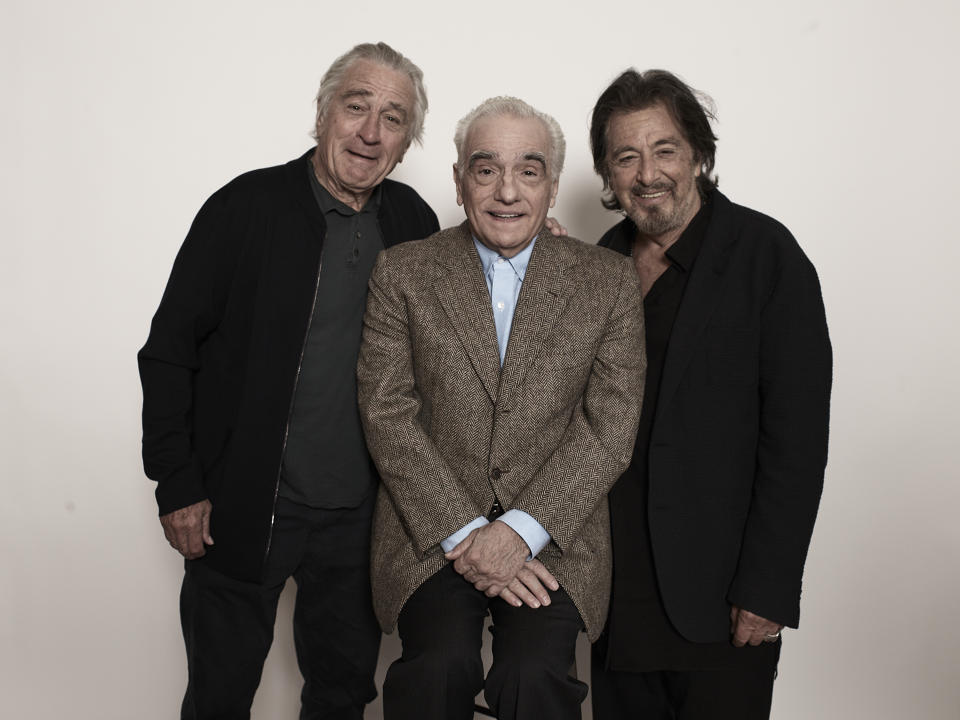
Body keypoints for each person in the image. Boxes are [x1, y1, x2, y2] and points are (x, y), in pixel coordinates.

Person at [138, 42, 440, 719]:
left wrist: (543, 247)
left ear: (405, 142)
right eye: (356, 106)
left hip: (361, 519)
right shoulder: (243, 208)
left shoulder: (414, 224)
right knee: (219, 695)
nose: (369, 131)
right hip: (244, 504)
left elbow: (468, 323)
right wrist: (178, 483)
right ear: (323, 112)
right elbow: (167, 352)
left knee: (341, 696)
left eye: (392, 118)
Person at [356, 96, 646, 720]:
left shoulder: (609, 281)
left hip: (556, 539)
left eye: (529, 170)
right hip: (431, 533)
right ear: (459, 183)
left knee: (532, 673)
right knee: (438, 667)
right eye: (486, 170)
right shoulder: (403, 273)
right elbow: (387, 415)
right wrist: (468, 535)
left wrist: (520, 531)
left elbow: (609, 429)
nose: (507, 191)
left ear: (552, 186)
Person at [587, 69, 833, 719]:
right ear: (607, 174)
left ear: (697, 153)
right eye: (626, 156)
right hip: (616, 596)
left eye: (664, 149)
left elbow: (798, 440)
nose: (647, 173)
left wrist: (769, 587)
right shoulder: (597, 265)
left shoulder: (767, 257)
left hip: (725, 597)